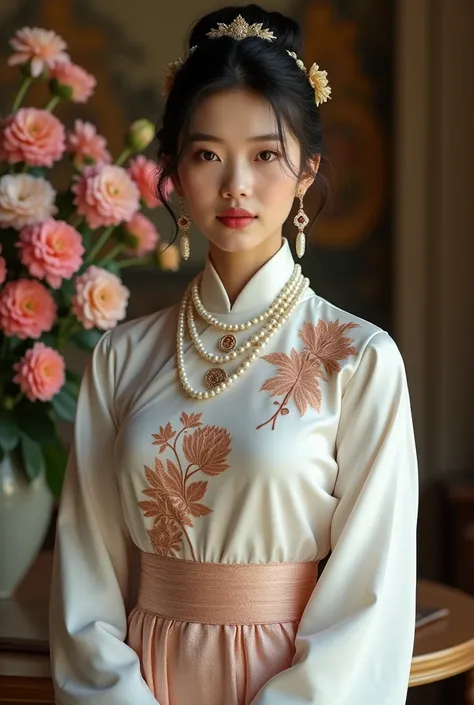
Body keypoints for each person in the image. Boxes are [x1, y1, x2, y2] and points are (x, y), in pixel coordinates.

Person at [49, 4, 419, 705]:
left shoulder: (360, 361)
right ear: (175, 174)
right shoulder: (124, 356)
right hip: (143, 681)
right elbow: (86, 574)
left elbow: (371, 597)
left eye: (266, 154)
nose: (236, 184)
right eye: (207, 153)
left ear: (308, 170)